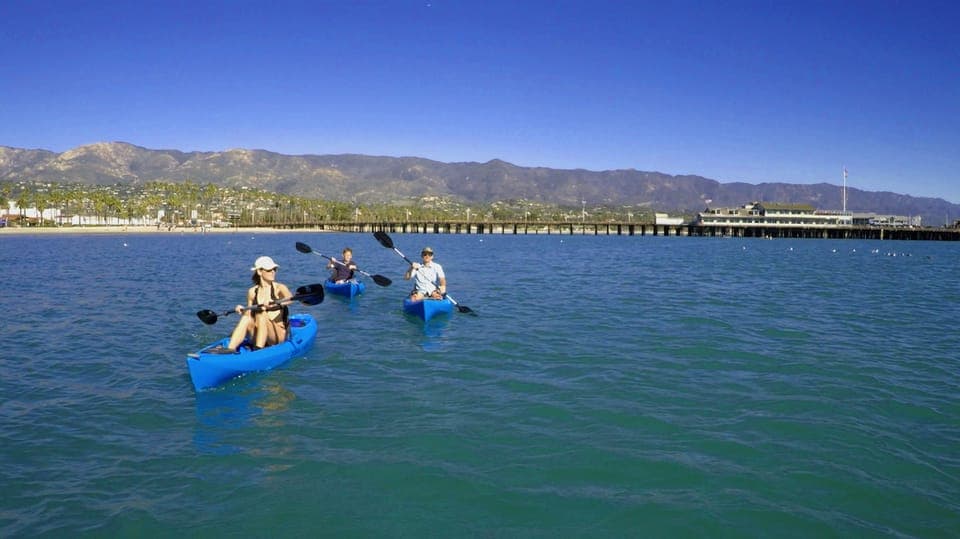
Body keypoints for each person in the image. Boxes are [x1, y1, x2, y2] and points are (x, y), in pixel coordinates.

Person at [215, 256, 294, 353]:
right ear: (260, 272)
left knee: (262, 315)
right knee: (246, 318)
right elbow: (248, 316)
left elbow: (290, 300)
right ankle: (231, 349)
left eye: (275, 269)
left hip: (277, 337)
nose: (273, 272)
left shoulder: (279, 288)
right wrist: (242, 310)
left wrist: (276, 303)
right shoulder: (252, 292)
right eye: (269, 270)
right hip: (257, 334)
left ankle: (258, 351)